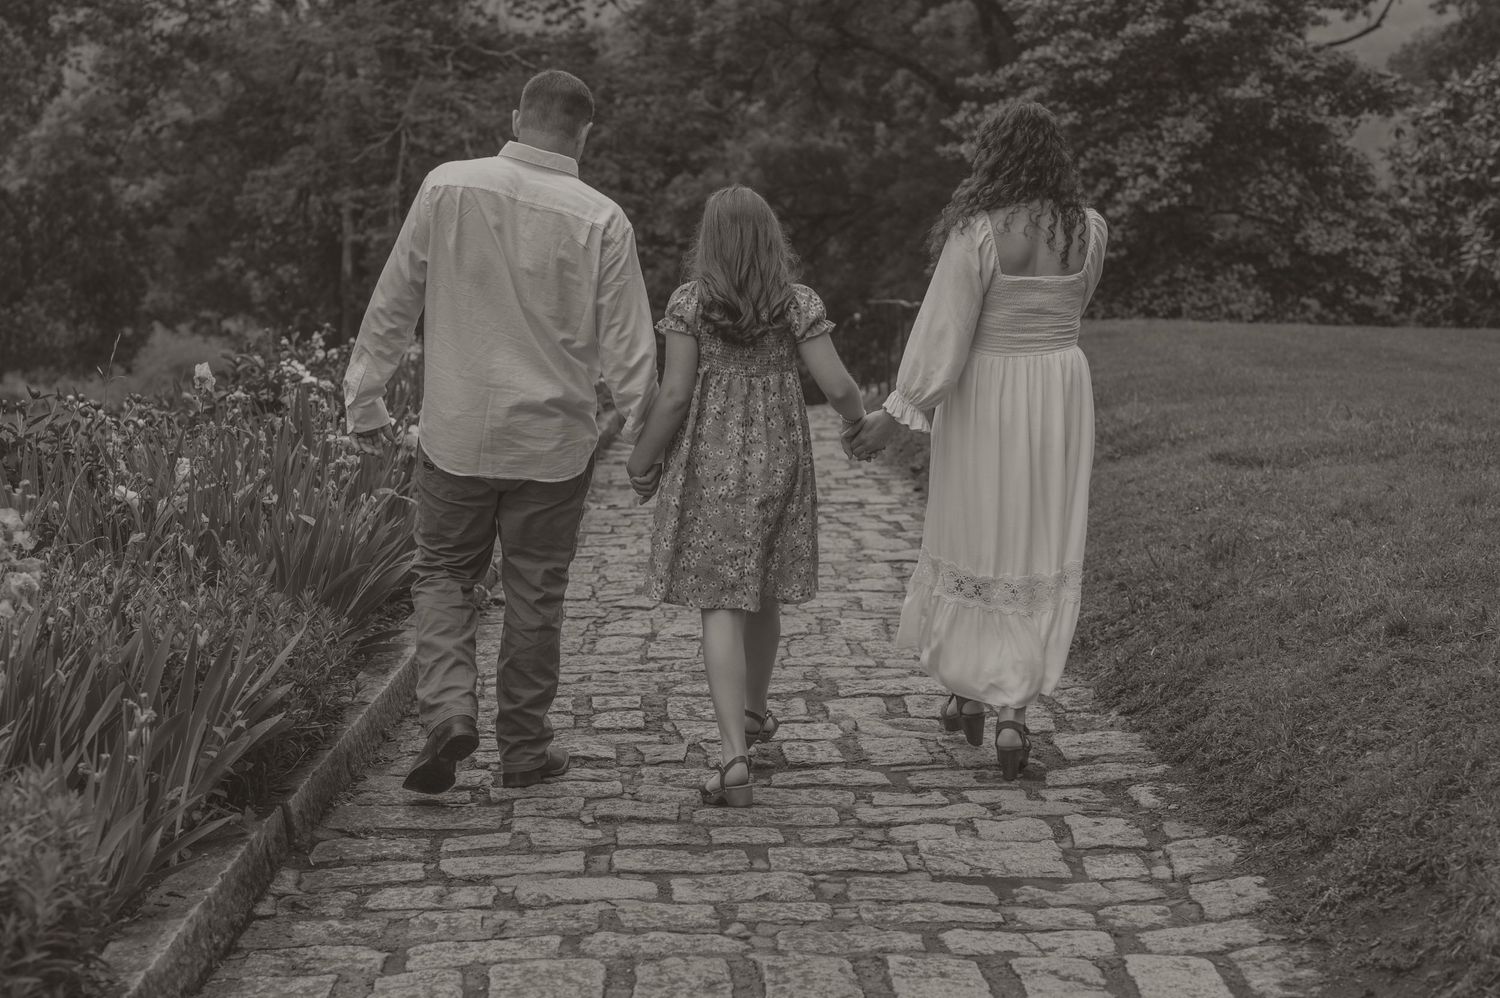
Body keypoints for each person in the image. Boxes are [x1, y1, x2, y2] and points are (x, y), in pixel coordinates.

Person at [343, 70, 659, 794]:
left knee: (444, 576)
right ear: (585, 133)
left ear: (516, 116)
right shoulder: (602, 218)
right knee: (534, 596)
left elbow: (394, 301)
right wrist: (649, 447)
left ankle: (450, 711)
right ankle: (524, 750)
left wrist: (365, 402)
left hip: (456, 432)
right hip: (552, 447)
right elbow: (630, 353)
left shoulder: (447, 187)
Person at [845, 101, 1108, 780]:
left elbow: (944, 332)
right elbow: (1072, 310)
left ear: (995, 157)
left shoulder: (980, 232)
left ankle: (973, 692)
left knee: (977, 533)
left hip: (989, 390)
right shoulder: (1090, 232)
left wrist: (893, 412)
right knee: (1035, 538)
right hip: (1059, 388)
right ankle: (1007, 711)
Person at [626, 186, 867, 807]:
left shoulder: (690, 303)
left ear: (709, 240)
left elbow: (675, 395)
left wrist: (643, 460)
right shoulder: (796, 303)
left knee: (719, 603)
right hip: (779, 461)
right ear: (770, 238)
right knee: (761, 590)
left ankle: (734, 750)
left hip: (709, 464)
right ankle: (757, 712)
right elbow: (837, 385)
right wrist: (856, 419)